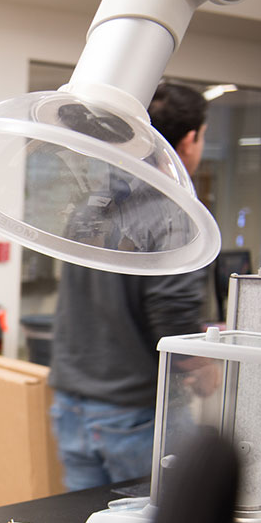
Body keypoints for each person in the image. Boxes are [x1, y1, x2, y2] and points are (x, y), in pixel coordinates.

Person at [49, 82, 209, 491]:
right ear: (189, 139)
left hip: (72, 404)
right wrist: (204, 366)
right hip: (133, 413)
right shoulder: (174, 214)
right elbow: (173, 317)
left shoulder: (92, 206)